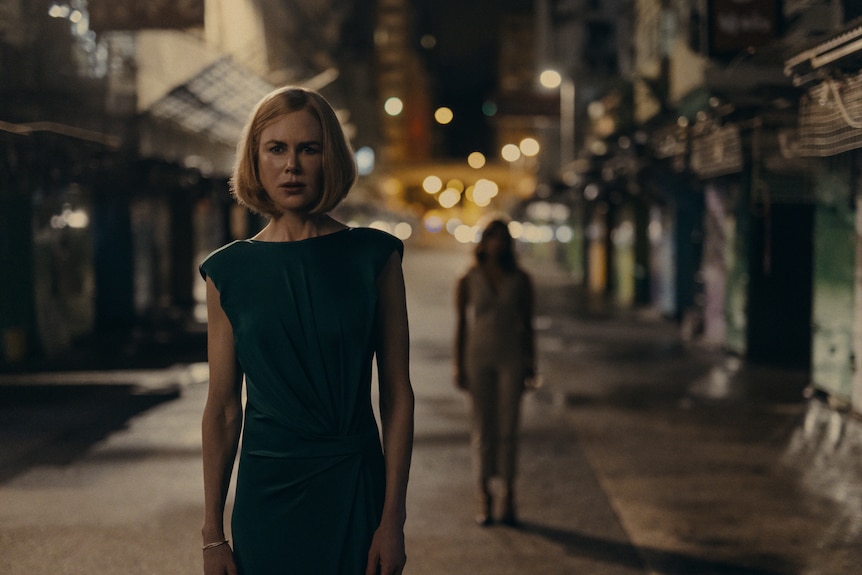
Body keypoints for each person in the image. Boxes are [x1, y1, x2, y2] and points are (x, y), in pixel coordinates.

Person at [199, 86, 414, 575]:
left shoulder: (373, 257)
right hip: (266, 496)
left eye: (308, 148)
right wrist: (213, 535)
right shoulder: (228, 272)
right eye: (276, 148)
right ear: (256, 160)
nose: (291, 165)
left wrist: (392, 521)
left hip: (354, 489)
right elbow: (223, 408)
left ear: (329, 158)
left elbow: (397, 394)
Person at [454, 218, 535, 527]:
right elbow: (461, 324)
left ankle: (509, 495)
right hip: (477, 357)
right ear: (483, 242)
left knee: (509, 428)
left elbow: (528, 324)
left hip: (511, 357)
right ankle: (483, 494)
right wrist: (457, 363)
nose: (498, 244)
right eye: (492, 238)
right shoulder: (468, 278)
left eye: (503, 239)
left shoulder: (521, 279)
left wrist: (531, 363)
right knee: (482, 429)